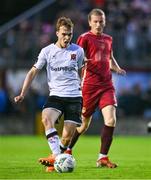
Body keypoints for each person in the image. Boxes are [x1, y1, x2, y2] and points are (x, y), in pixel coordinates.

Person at [14, 17, 84, 172]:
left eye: (70, 34)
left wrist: (83, 86)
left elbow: (81, 70)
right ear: (57, 32)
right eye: (64, 34)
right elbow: (33, 71)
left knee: (66, 136)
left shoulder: (78, 51)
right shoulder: (47, 51)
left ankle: (55, 159)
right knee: (46, 118)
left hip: (74, 96)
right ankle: (56, 156)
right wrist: (22, 93)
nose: (67, 37)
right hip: (56, 95)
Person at [66, 9, 126, 168]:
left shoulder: (108, 39)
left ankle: (102, 158)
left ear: (104, 22)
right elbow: (75, 57)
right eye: (95, 21)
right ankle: (67, 150)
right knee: (83, 125)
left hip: (107, 85)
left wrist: (117, 68)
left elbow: (110, 57)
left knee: (111, 119)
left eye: (101, 21)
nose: (98, 24)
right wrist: (82, 61)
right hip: (89, 86)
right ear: (90, 22)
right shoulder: (84, 38)